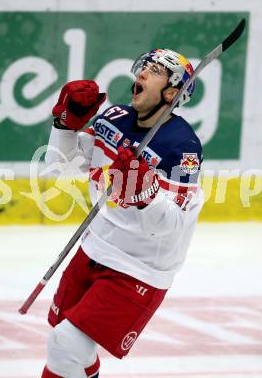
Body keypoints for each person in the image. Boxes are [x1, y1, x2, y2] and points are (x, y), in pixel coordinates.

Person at [41, 48, 204, 378]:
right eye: (144, 67)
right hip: (95, 246)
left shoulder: (182, 148)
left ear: (172, 93)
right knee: (66, 345)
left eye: (155, 71)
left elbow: (170, 226)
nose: (142, 73)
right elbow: (58, 167)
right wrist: (66, 125)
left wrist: (145, 196)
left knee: (67, 343)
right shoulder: (114, 117)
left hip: (139, 268)